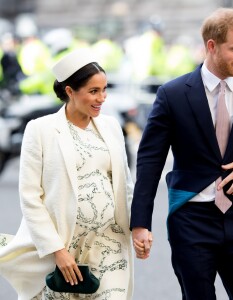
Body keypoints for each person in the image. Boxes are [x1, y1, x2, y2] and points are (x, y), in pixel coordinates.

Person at [130, 8, 233, 300]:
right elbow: (150, 160)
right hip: (191, 220)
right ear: (211, 46)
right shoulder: (173, 94)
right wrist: (140, 223)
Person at [0, 48, 134, 300]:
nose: (102, 98)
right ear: (70, 91)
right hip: (62, 248)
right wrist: (57, 250)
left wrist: (139, 227)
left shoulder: (111, 126)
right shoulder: (40, 130)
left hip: (109, 244)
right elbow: (30, 197)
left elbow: (124, 185)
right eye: (94, 91)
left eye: (104, 90)